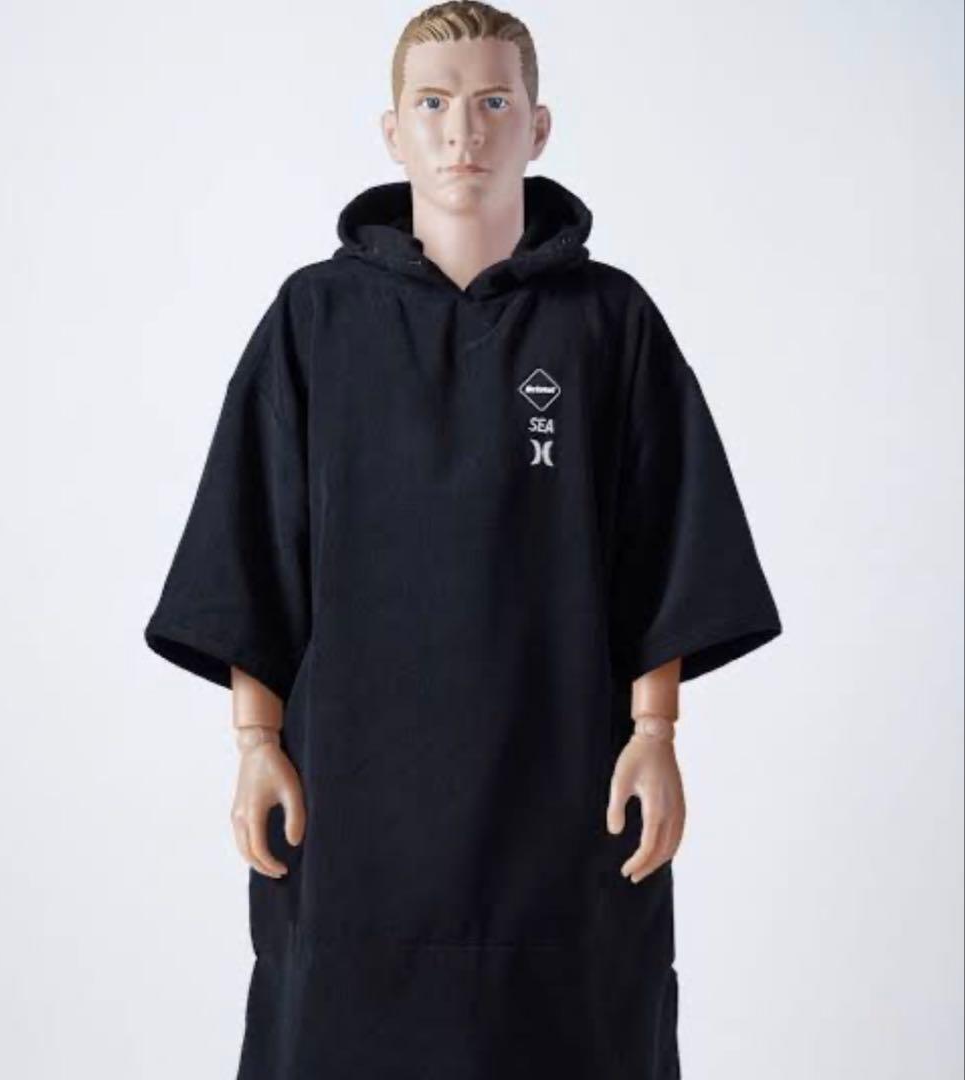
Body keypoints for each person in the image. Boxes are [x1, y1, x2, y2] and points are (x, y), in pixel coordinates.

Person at [144, 3, 783, 1076]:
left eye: (492, 102)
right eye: (433, 104)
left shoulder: (605, 320)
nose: (462, 133)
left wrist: (656, 731)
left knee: (573, 1026)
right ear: (391, 131)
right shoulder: (315, 320)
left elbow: (666, 534)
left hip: (562, 780)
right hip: (353, 797)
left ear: (538, 126)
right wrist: (255, 744)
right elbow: (253, 540)